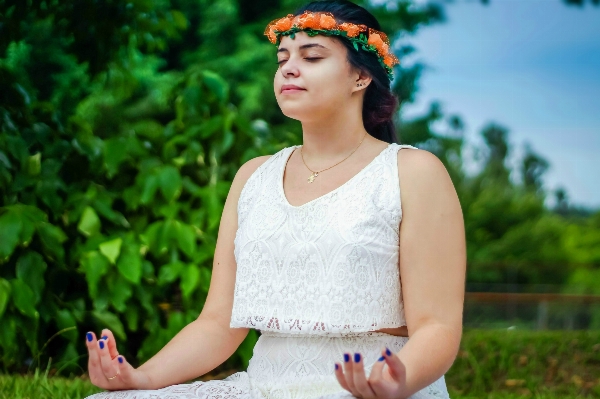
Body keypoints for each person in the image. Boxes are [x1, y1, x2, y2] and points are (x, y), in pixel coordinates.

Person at [83, 1, 466, 398]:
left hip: (373, 387)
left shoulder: (411, 172)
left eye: (312, 56)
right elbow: (217, 324)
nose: (288, 68)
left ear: (360, 78)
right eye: (282, 58)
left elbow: (437, 327)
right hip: (263, 387)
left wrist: (391, 381)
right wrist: (140, 379)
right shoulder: (253, 177)